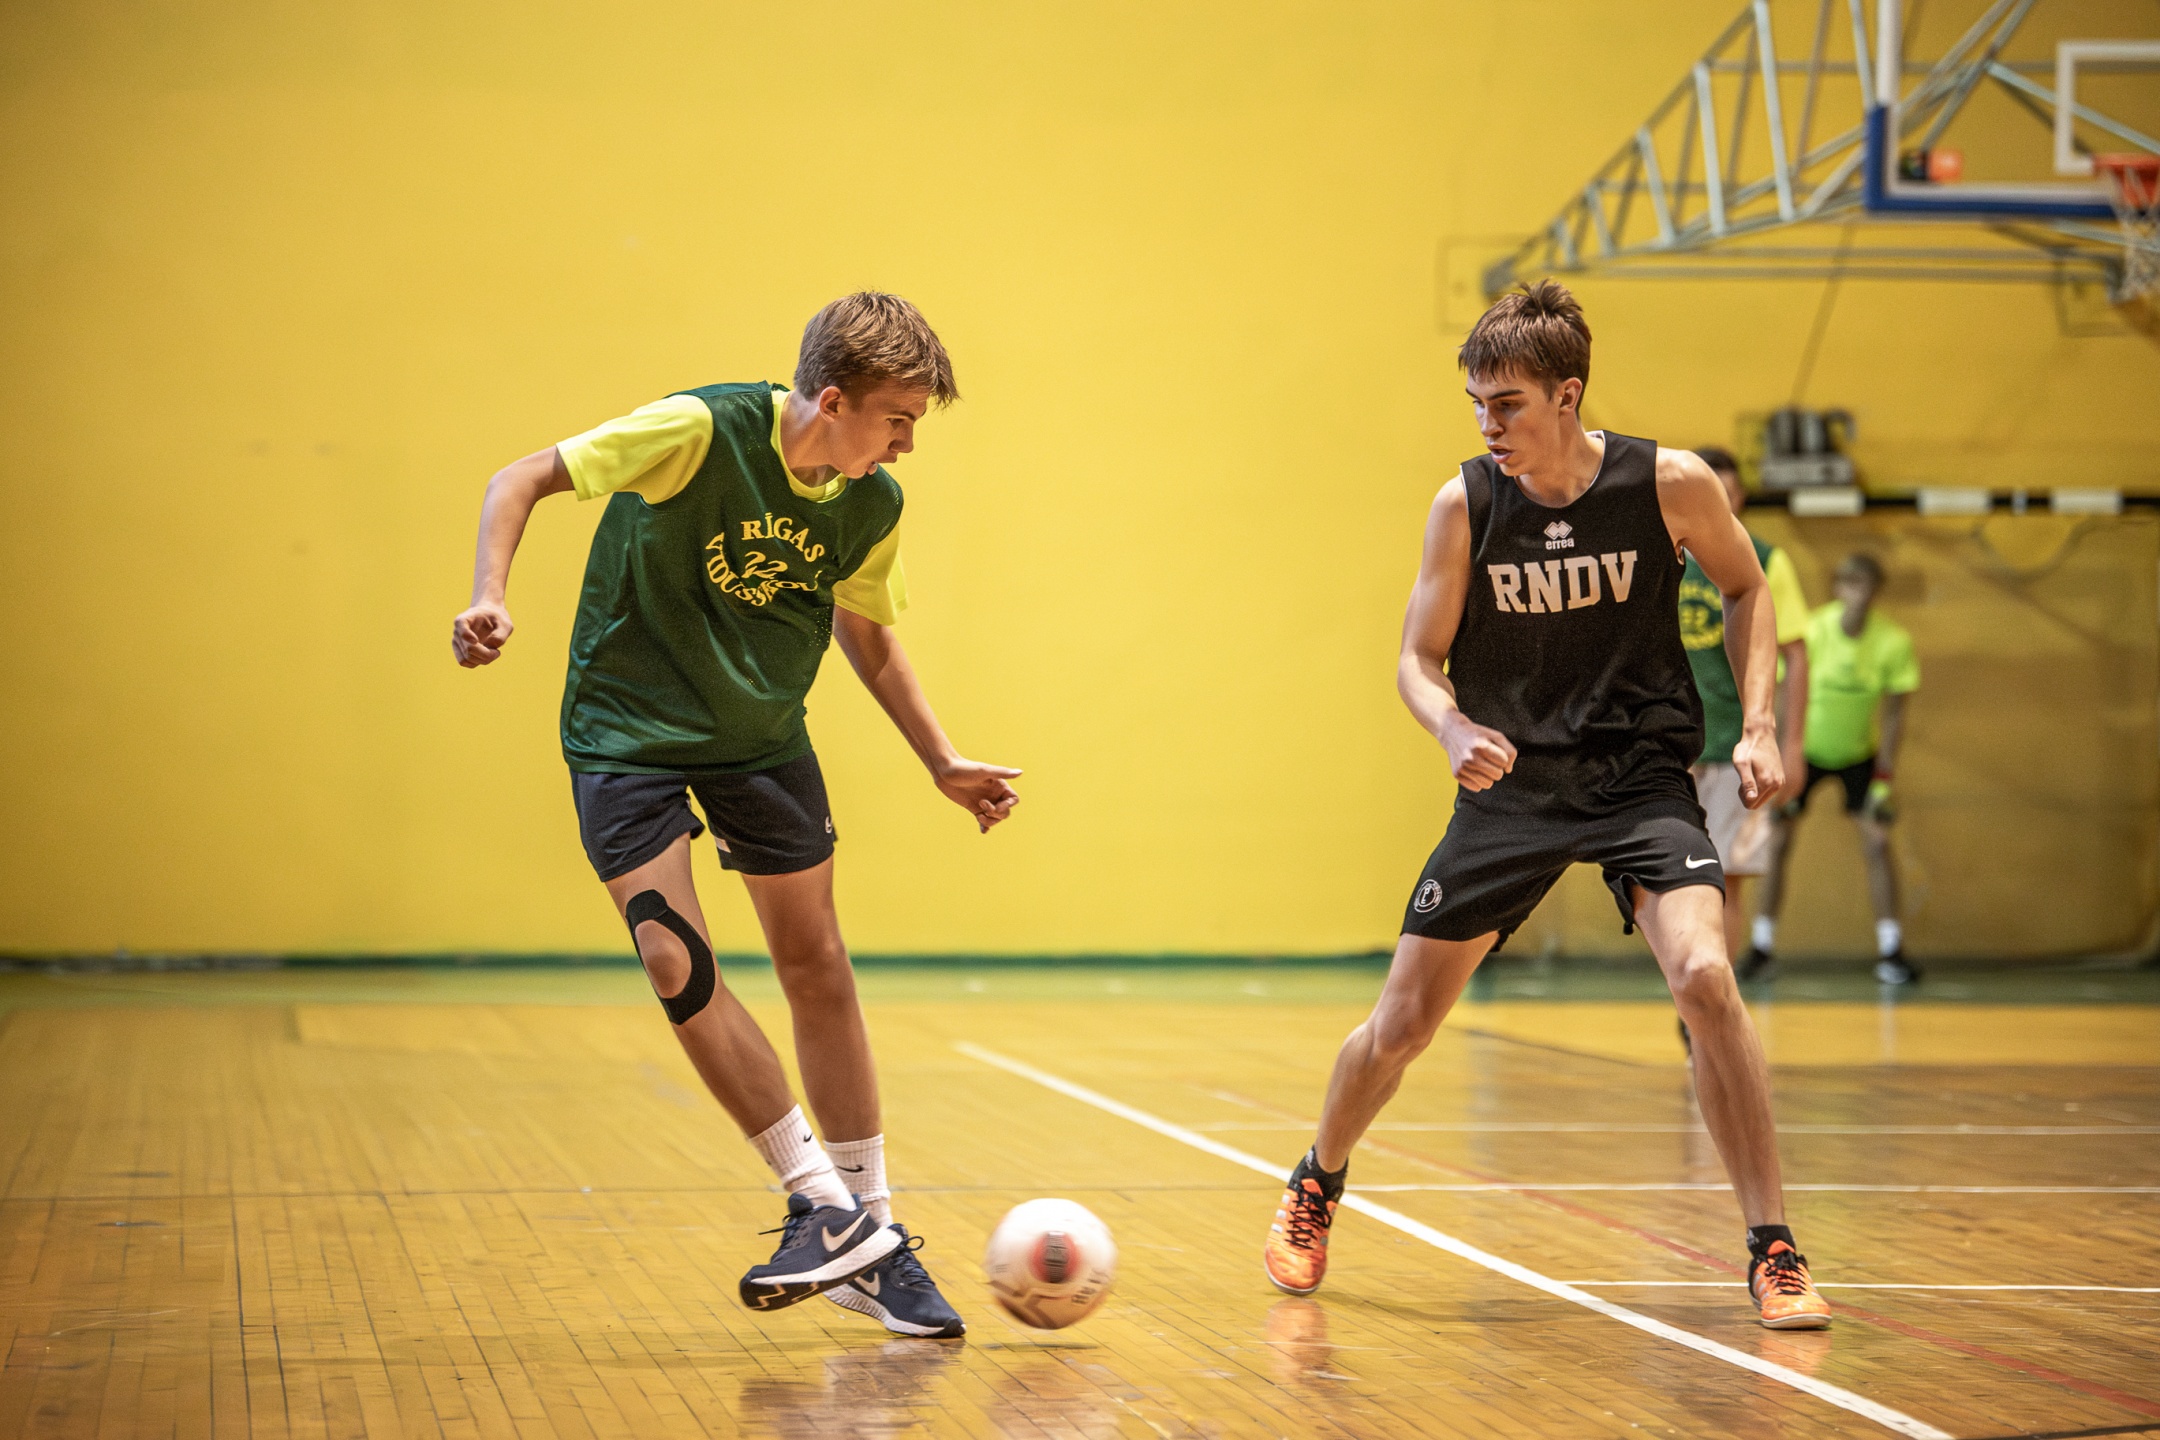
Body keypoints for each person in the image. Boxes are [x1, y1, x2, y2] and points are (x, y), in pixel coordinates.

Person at [1260, 280, 1831, 1330]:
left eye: (1509, 403)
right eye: (1478, 403)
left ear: (1568, 395)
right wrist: (1449, 728)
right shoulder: (1466, 505)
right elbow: (1417, 658)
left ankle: (1775, 1248)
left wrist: (1757, 726)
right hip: (1513, 785)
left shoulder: (1669, 483)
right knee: (1402, 1026)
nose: (1489, 424)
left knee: (1706, 978)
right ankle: (1316, 1180)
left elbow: (1749, 590)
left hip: (1638, 778)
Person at [450, 292, 1021, 1338]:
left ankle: (870, 1237)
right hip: (627, 738)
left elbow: (867, 631)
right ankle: (817, 1202)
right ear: (833, 401)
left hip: (760, 739)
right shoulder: (699, 431)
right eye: (897, 420)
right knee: (676, 961)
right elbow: (519, 477)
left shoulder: (869, 504)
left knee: (817, 962)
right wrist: (491, 594)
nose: (905, 445)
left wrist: (939, 758)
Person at [1750, 552, 1921, 986]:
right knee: (1778, 841)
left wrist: (1884, 778)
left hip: (1858, 757)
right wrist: (1780, 755)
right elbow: (1785, 691)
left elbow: (1895, 714)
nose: (1857, 592)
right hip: (1805, 754)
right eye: (1849, 582)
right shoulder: (1812, 632)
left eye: (1865, 584)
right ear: (1838, 587)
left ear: (1876, 590)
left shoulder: (1892, 642)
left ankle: (1891, 950)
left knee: (1877, 841)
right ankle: (1761, 946)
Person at [1677, 448, 1809, 976]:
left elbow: (1795, 656)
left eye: (1727, 493)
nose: (1718, 501)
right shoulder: (1662, 554)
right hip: (1671, 744)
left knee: (1724, 878)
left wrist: (1790, 745)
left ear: (1741, 498)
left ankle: (1715, 997)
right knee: (1672, 880)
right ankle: (1690, 991)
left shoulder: (1766, 560)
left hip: (1734, 743)